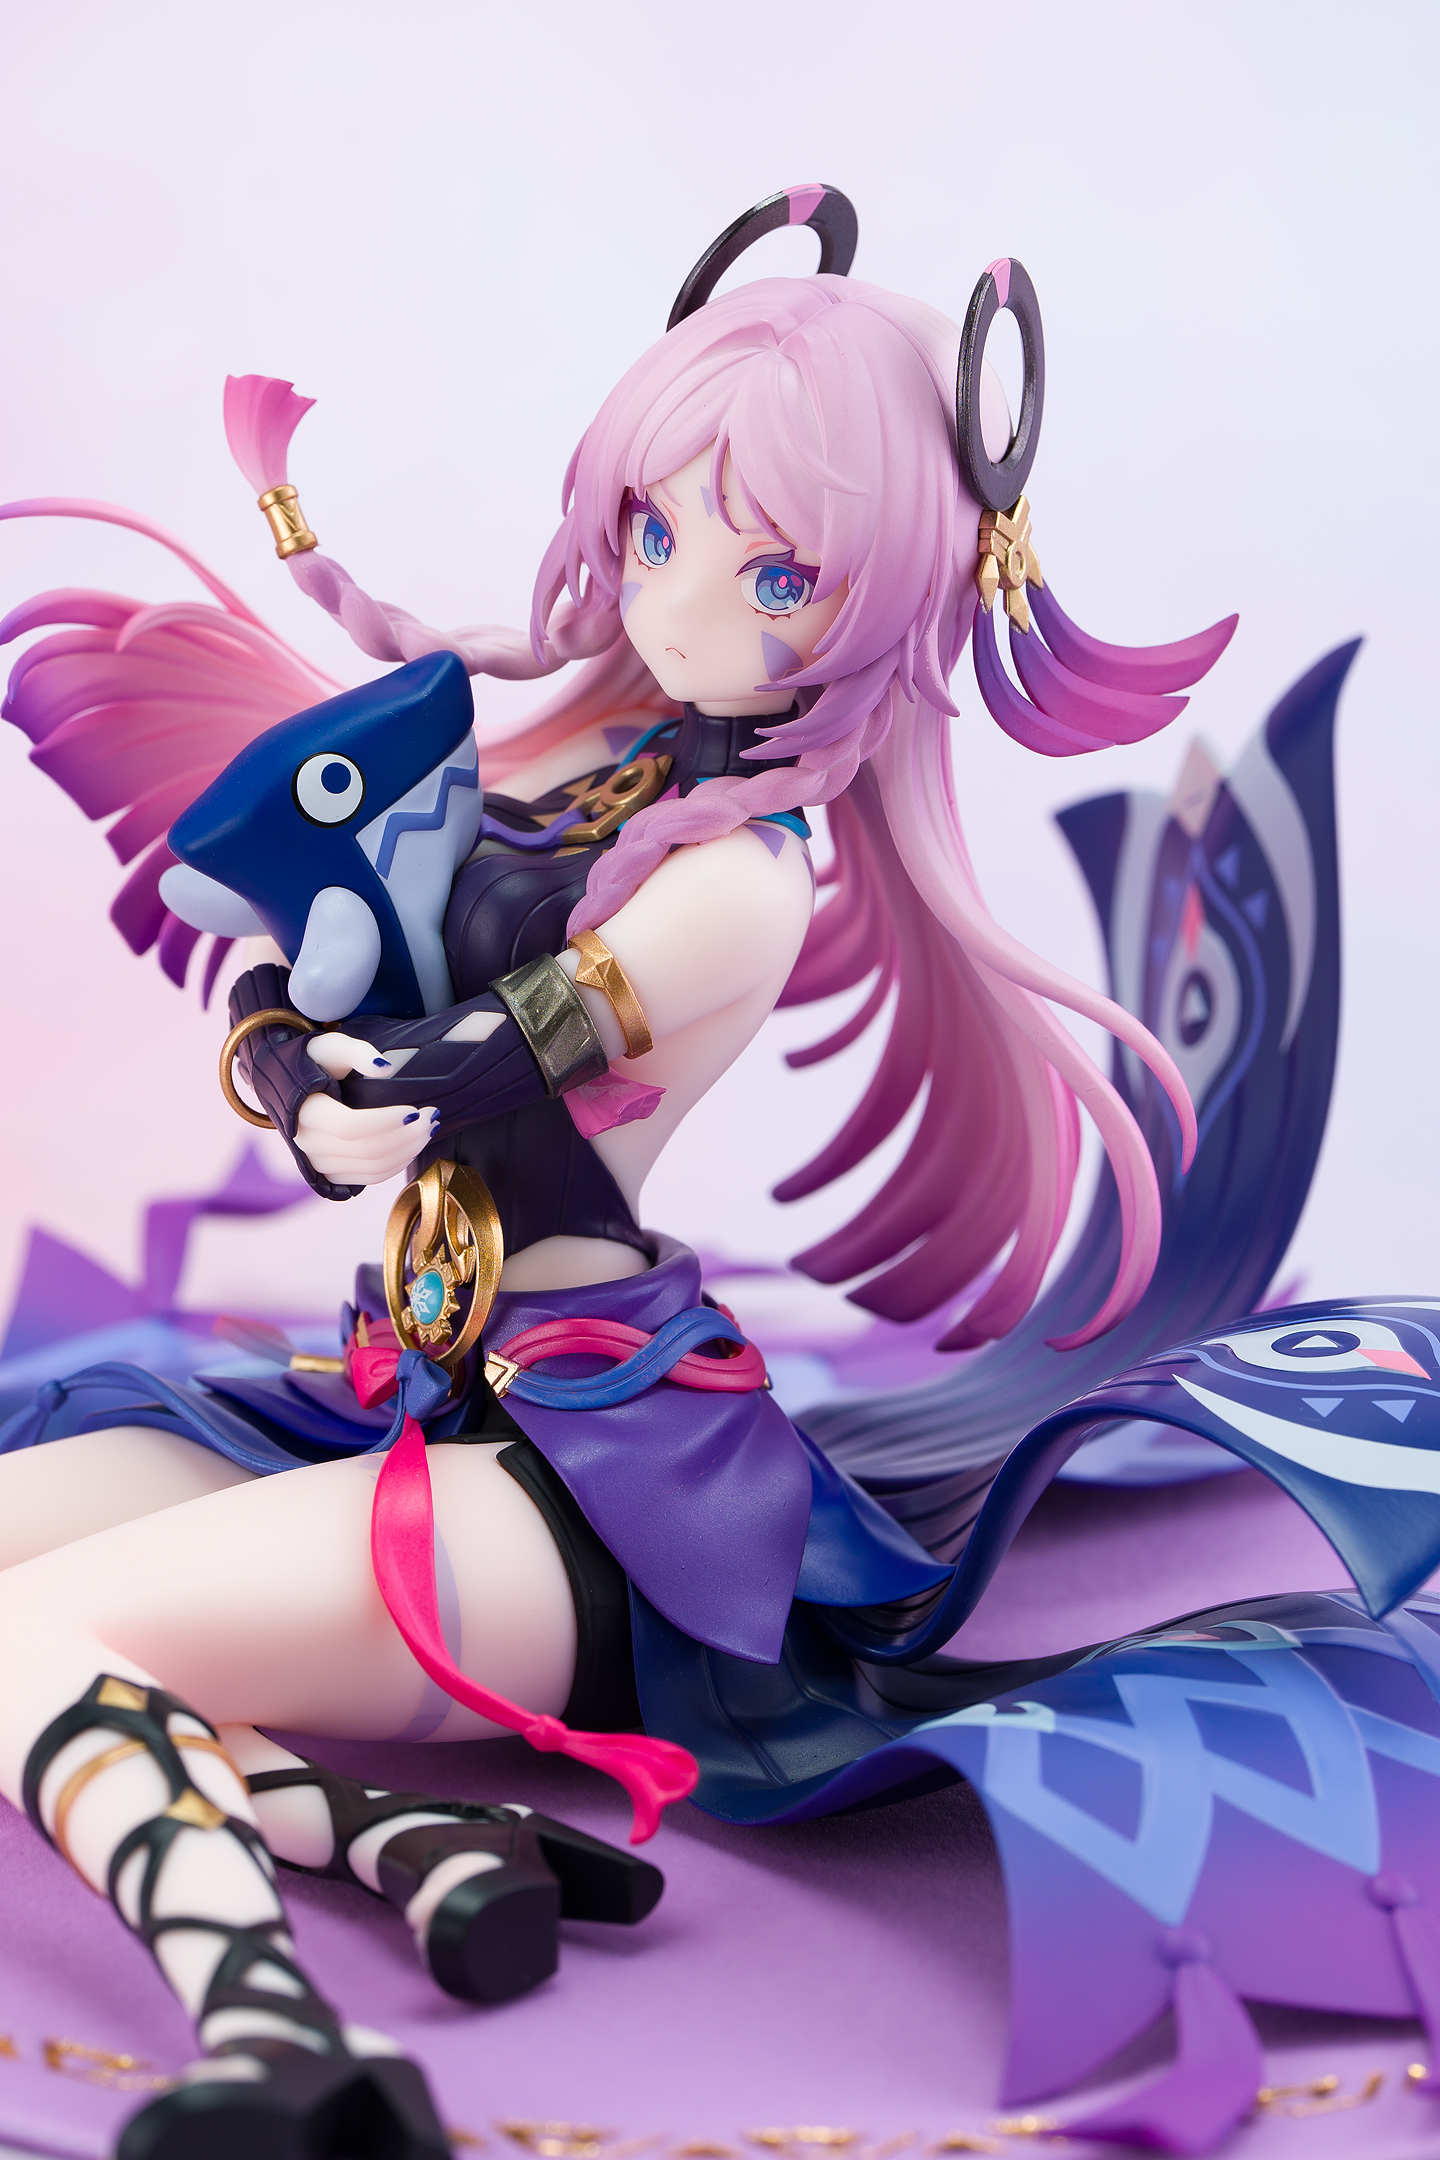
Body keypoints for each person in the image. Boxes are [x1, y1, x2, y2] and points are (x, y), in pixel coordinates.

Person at [0, 189, 1235, 2159]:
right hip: (394, 1390)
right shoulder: (576, 769)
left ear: (892, 595)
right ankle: (396, 1837)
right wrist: (284, 1058)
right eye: (660, 532)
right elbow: (306, 967)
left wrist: (354, 1084)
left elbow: (493, 1051)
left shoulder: (744, 882)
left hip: (589, 1485)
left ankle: (281, 2047)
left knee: (34, 1642)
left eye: (777, 575)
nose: (680, 607)